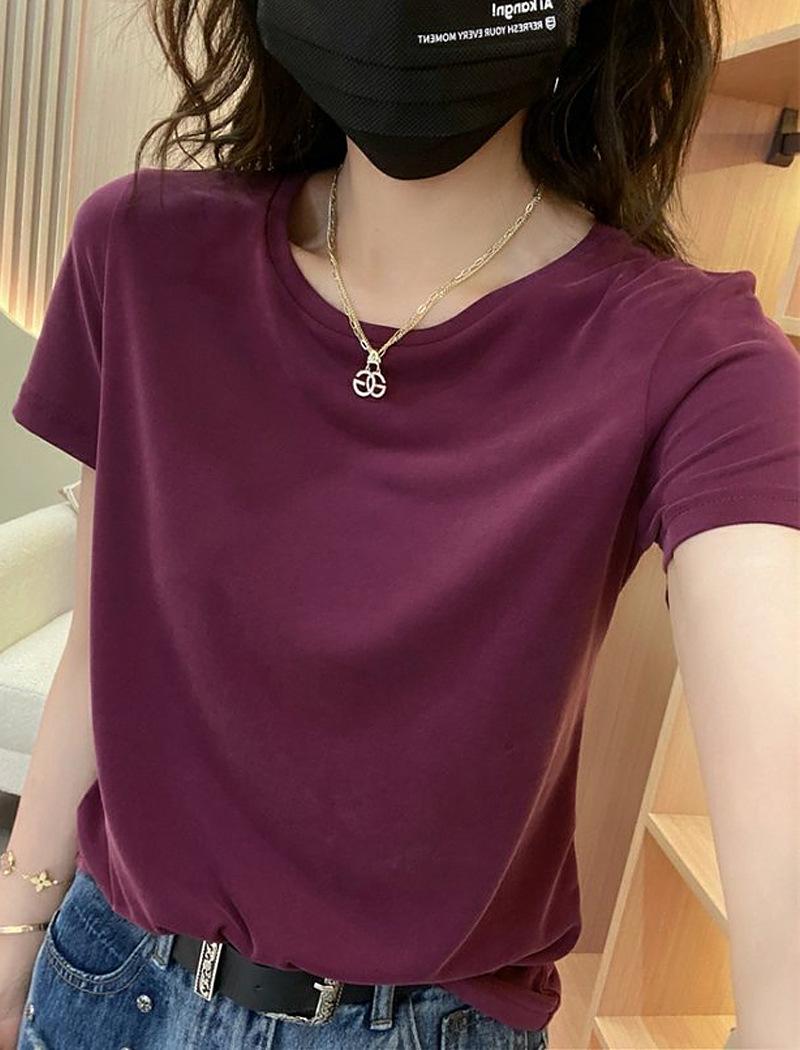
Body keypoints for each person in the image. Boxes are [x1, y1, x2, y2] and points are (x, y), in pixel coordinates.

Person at [2, 0, 799, 1047]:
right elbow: (102, 648)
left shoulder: (691, 353)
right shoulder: (140, 249)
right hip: (106, 979)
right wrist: (16, 920)